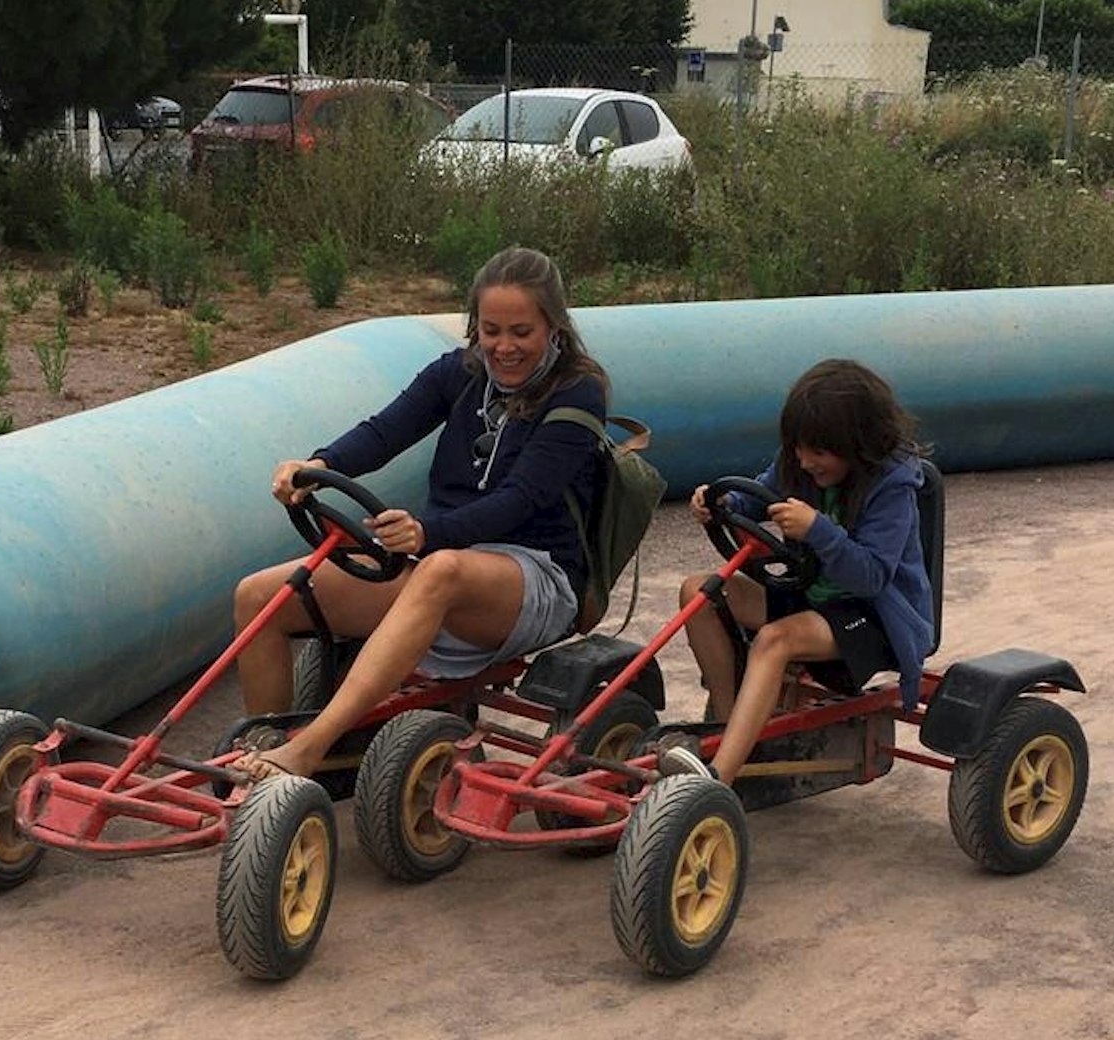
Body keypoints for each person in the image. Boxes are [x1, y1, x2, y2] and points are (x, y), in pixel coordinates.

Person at [230, 245, 610, 780]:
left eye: (521, 332)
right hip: (442, 560)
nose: (504, 347)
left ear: (554, 327)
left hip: (534, 573)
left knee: (440, 569)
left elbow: (520, 500)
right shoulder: (457, 373)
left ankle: (309, 748)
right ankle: (262, 749)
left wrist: (427, 532)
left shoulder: (578, 393)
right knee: (261, 597)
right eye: (490, 330)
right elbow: (386, 431)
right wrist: (317, 463)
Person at [660, 357, 936, 786]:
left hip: (870, 615)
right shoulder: (798, 462)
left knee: (774, 640)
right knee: (699, 592)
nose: (806, 461)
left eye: (819, 451)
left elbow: (872, 577)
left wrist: (819, 531)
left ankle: (717, 781)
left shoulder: (891, 486)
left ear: (858, 443)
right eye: (798, 448)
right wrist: (720, 504)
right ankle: (734, 728)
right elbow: (757, 498)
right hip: (807, 593)